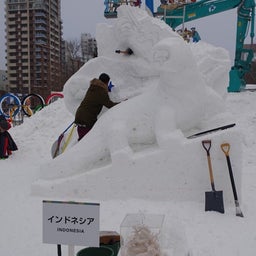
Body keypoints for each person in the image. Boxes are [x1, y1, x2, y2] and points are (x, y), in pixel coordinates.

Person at [74, 73, 120, 141]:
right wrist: (122, 103)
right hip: (87, 119)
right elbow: (109, 104)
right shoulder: (101, 92)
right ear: (106, 82)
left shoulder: (93, 87)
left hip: (80, 115)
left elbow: (96, 96)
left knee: (82, 141)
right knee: (87, 141)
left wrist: (106, 89)